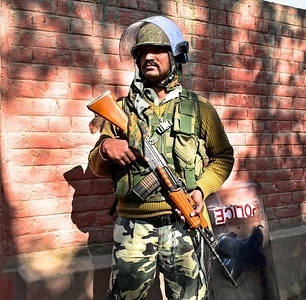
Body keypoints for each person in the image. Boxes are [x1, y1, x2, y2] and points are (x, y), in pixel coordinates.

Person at [88, 15, 234, 300]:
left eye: (157, 50)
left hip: (184, 223)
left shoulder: (200, 108)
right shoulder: (120, 110)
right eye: (142, 52)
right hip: (133, 228)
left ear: (175, 56)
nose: (148, 57)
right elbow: (96, 165)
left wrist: (200, 189)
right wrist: (107, 149)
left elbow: (223, 158)